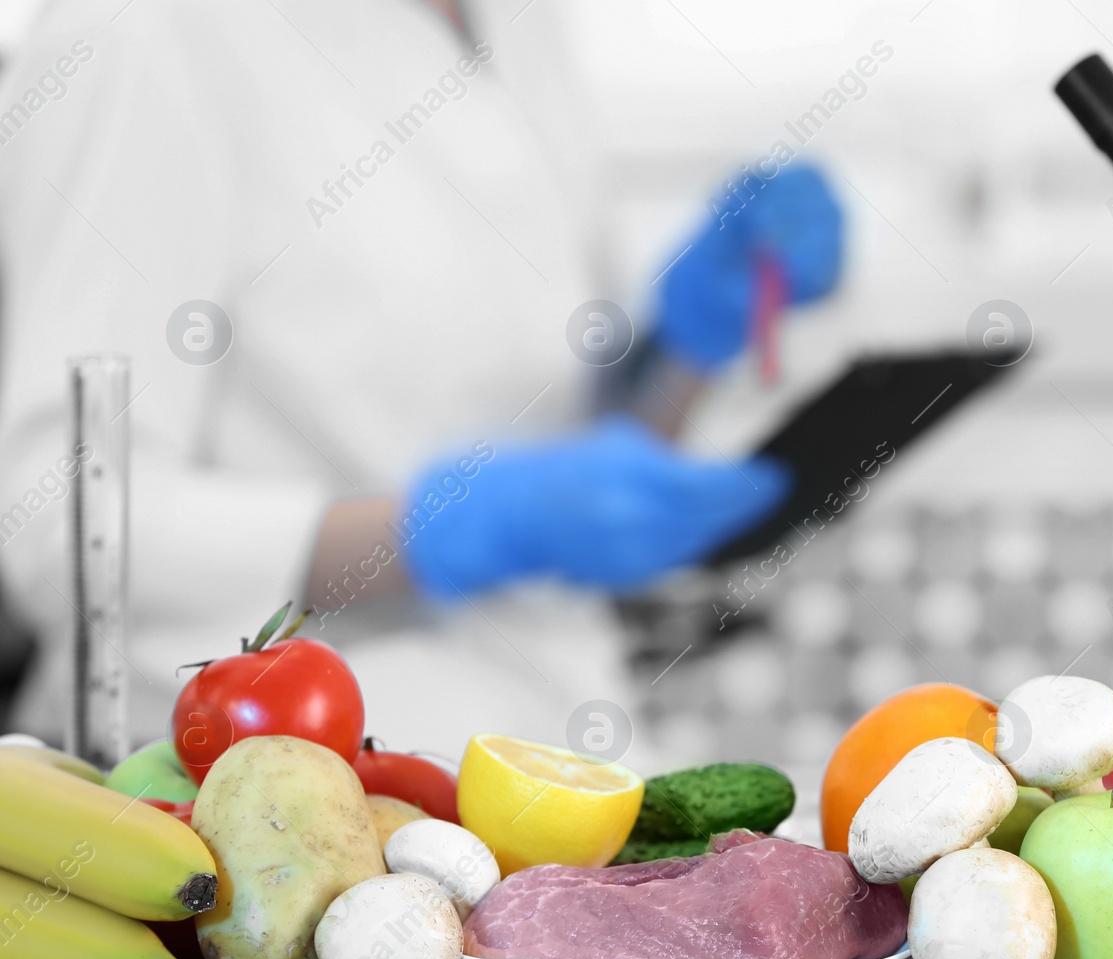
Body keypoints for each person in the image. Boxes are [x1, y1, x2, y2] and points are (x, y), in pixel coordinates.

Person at [0, 0, 841, 765]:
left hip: (559, 745)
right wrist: (437, 528)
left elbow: (575, 461)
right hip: (271, 785)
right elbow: (59, 519)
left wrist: (688, 342)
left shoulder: (521, 25)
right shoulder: (137, 32)